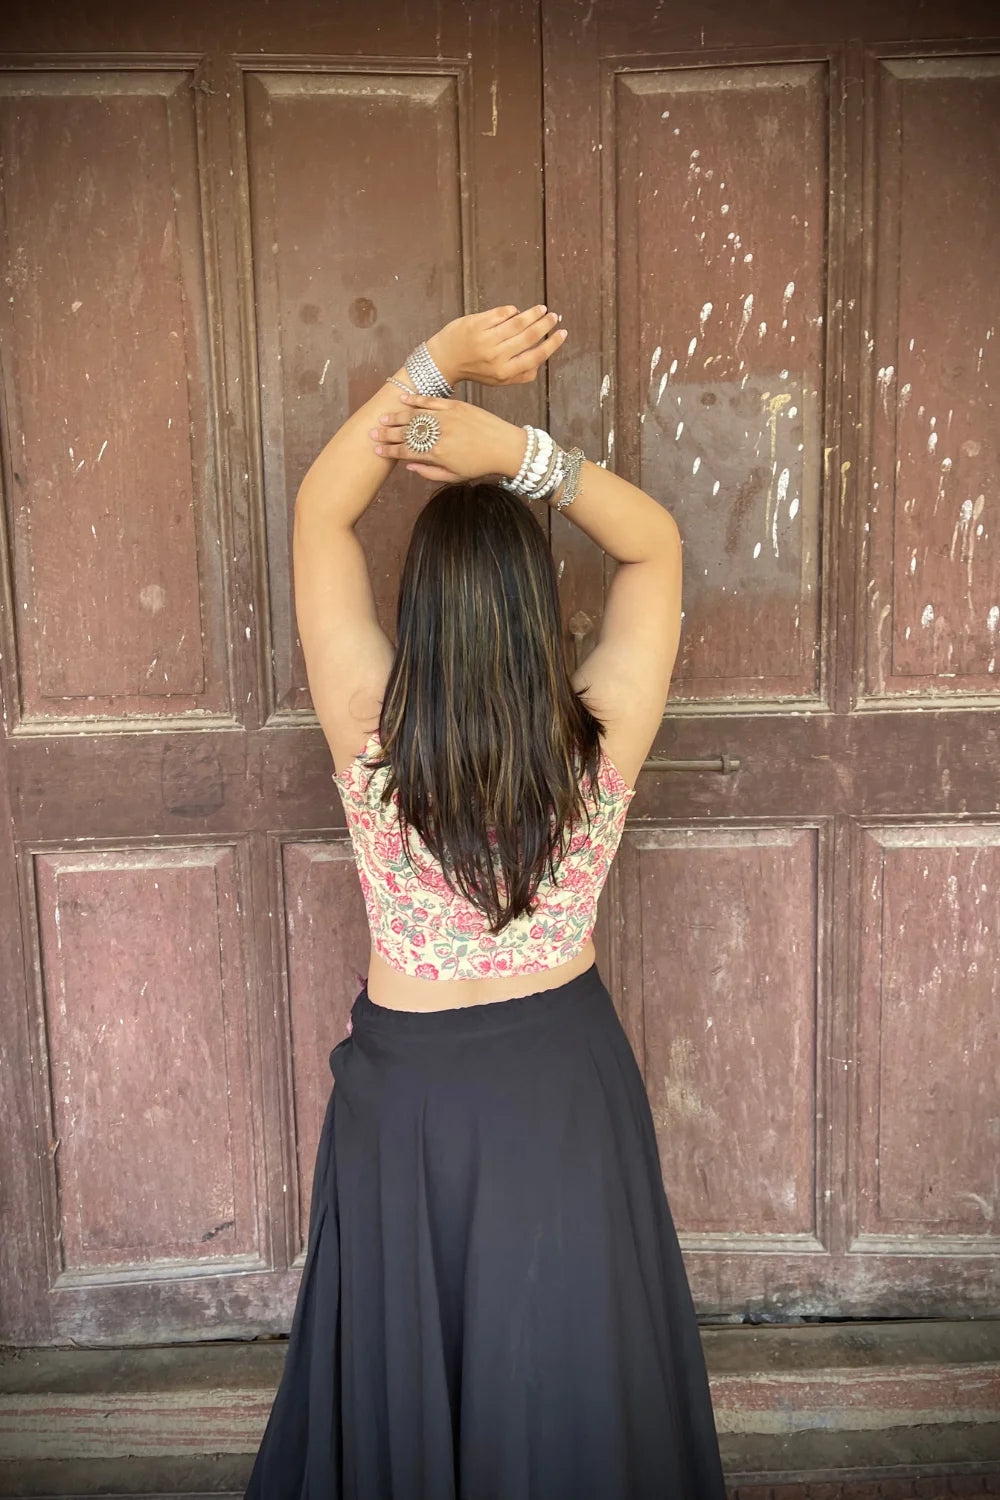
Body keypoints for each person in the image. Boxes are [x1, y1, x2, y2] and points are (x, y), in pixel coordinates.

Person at [245, 306, 727, 1497]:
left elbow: (321, 508)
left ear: (419, 609)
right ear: (532, 607)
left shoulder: (369, 727)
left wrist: (434, 369)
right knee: (566, 1374)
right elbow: (656, 547)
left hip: (409, 1098)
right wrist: (516, 454)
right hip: (564, 1083)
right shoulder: (600, 734)